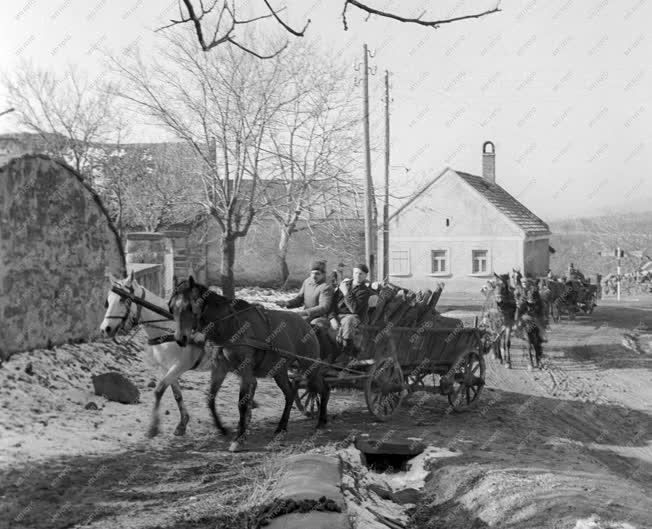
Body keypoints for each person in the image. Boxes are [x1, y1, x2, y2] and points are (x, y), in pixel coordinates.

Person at [329, 263, 372, 357]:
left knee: (349, 321)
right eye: (356, 273)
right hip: (337, 316)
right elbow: (332, 304)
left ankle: (346, 355)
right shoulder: (344, 285)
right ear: (353, 274)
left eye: (361, 274)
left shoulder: (364, 291)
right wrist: (332, 318)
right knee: (318, 323)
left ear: (365, 276)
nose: (358, 275)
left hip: (354, 317)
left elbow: (354, 309)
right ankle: (324, 353)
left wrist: (346, 292)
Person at [276, 260, 333, 330]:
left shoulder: (326, 287)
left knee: (311, 325)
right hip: (306, 314)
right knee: (288, 322)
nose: (314, 276)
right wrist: (286, 303)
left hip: (320, 317)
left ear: (323, 274)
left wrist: (305, 312)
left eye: (317, 274)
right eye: (312, 273)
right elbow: (300, 298)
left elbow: (323, 307)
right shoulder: (307, 282)